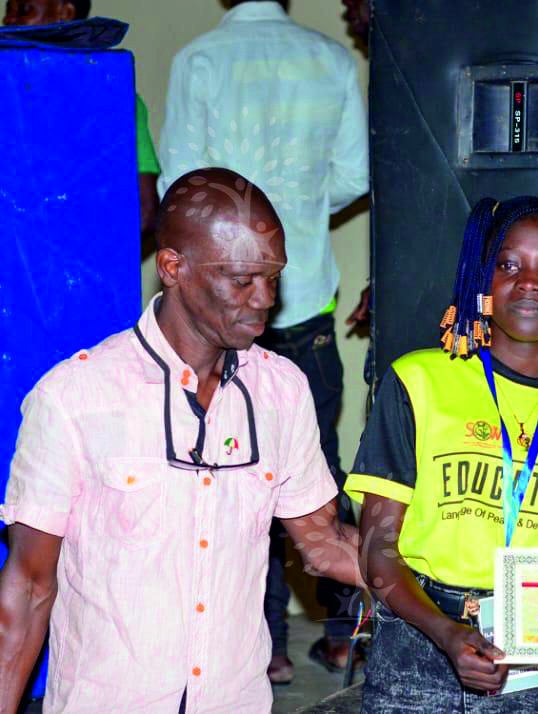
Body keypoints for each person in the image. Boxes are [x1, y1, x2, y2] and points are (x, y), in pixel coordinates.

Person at [0, 168, 362, 713]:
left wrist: (437, 583)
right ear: (173, 268)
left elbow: (324, 541)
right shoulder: (75, 397)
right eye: (242, 280)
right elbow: (28, 591)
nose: (264, 298)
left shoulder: (281, 391)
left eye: (273, 278)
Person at [345, 196, 538, 712]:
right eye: (508, 265)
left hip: (537, 657)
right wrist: (447, 631)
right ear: (484, 279)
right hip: (416, 649)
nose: (528, 283)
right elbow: (377, 550)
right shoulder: (418, 380)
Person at [158, 0, 371, 683]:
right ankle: (346, 635)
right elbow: (357, 175)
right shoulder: (331, 58)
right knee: (315, 468)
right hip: (304, 296)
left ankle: (265, 643)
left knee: (225, 471)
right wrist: (295, 206)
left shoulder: (199, 59)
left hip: (215, 309)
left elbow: (178, 186)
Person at [3, 0, 162, 244]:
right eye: (8, 10)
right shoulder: (116, 94)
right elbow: (145, 212)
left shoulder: (115, 99)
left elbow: (146, 210)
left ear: (64, 12)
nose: (9, 20)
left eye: (24, 9)